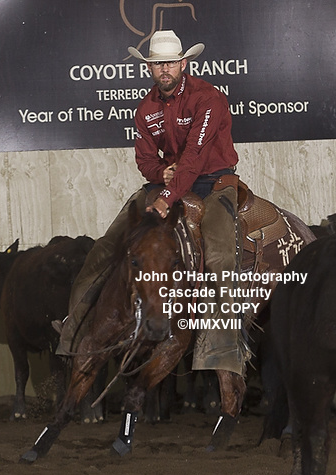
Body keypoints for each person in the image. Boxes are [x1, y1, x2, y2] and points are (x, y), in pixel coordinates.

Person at [56, 30, 246, 377]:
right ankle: (74, 333)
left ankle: (225, 349)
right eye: (158, 64)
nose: (165, 69)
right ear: (149, 68)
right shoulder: (146, 108)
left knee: (220, 256)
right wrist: (162, 173)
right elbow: (144, 160)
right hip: (167, 183)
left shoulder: (208, 98)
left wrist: (166, 198)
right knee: (104, 249)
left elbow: (195, 156)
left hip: (214, 183)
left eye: (171, 62)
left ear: (183, 64)